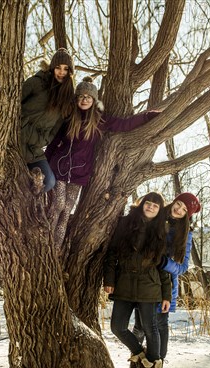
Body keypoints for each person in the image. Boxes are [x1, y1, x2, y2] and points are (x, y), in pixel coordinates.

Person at [45, 77, 160, 247]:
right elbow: (53, 143)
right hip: (59, 168)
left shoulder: (99, 120)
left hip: (79, 173)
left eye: (88, 97)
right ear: (76, 99)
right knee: (57, 206)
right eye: (81, 96)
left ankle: (53, 250)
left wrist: (149, 116)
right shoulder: (68, 118)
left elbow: (125, 124)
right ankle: (44, 242)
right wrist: (44, 165)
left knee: (67, 211)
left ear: (93, 100)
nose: (84, 100)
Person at [130, 192, 202, 368]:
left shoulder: (186, 235)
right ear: (174, 201)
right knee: (139, 325)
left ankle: (158, 366)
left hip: (165, 286)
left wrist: (164, 263)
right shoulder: (157, 216)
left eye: (184, 210)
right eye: (179, 204)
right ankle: (136, 361)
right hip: (143, 281)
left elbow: (183, 267)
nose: (178, 210)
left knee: (160, 325)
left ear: (188, 216)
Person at [103, 192, 172, 368]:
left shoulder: (161, 231)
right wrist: (109, 279)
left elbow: (163, 267)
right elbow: (111, 253)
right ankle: (141, 355)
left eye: (155, 206)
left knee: (151, 329)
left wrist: (167, 295)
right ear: (141, 204)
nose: (150, 207)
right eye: (148, 203)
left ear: (159, 211)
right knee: (117, 327)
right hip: (124, 282)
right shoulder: (125, 223)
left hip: (149, 285)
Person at [21, 48, 75, 192]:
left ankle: (28, 206)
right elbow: (12, 106)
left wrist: (39, 140)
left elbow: (51, 134)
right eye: (58, 67)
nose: (61, 72)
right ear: (52, 68)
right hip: (15, 136)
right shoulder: (36, 83)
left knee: (49, 182)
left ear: (70, 72)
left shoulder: (66, 101)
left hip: (34, 148)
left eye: (65, 69)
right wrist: (22, 127)